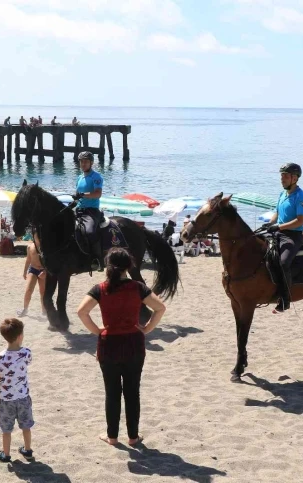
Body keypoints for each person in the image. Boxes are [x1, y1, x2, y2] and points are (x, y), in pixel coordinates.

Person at [76, 248, 166, 446]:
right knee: (133, 392)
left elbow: (81, 311)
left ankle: (112, 436)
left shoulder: (100, 288)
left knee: (112, 392)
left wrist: (97, 330)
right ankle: (133, 437)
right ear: (129, 266)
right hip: (134, 343)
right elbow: (160, 308)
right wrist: (147, 328)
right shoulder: (137, 287)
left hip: (109, 345)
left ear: (108, 265)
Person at [263, 163, 303, 312]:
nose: (282, 179)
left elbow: (300, 220)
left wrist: (279, 227)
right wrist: (269, 224)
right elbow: (277, 213)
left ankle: (285, 299)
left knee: (283, 262)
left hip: (293, 236)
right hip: (278, 232)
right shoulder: (282, 194)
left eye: (285, 176)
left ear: (294, 178)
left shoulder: (301, 196)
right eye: (281, 176)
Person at [0, 318, 34, 463]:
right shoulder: (26, 352)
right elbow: (27, 361)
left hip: (7, 400)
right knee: (26, 426)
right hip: (23, 397)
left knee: (6, 429)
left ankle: (6, 454)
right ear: (20, 336)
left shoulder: (0, 357)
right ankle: (27, 450)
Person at [74, 151, 104, 270]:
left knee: (90, 231)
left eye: (86, 162)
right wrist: (75, 201)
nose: (83, 164)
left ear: (91, 163)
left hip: (91, 211)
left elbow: (97, 194)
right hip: (79, 209)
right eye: (81, 162)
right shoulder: (79, 177)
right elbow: (78, 196)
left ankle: (97, 259)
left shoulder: (96, 177)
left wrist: (83, 195)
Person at [17, 238, 46, 317]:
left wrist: (45, 271)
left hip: (43, 269)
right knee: (28, 290)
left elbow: (50, 260)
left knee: (43, 292)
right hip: (33, 269)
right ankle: (25, 309)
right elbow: (28, 260)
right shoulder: (30, 246)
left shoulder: (45, 246)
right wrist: (24, 272)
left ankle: (44, 310)